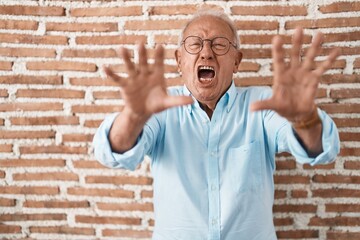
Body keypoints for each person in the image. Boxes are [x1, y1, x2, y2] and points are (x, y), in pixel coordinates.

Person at [93, 9, 340, 240]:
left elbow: (319, 150)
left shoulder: (263, 102)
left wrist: (304, 118)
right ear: (179, 60)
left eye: (220, 44)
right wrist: (134, 116)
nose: (206, 52)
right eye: (195, 44)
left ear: (236, 61)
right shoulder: (161, 107)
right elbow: (113, 154)